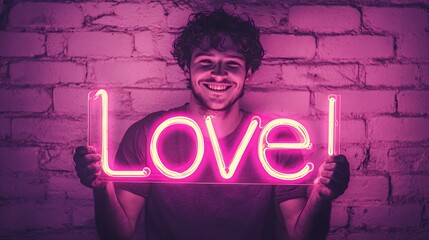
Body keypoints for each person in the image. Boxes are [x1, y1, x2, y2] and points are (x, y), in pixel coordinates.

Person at [73, 9, 350, 240]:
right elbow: (117, 235)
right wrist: (102, 186)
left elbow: (302, 236)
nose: (218, 74)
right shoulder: (147, 134)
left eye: (232, 64)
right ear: (186, 67)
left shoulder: (277, 140)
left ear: (248, 73)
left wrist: (322, 196)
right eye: (206, 62)